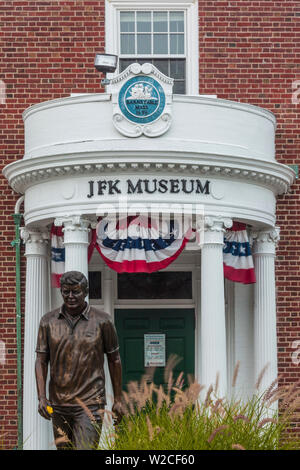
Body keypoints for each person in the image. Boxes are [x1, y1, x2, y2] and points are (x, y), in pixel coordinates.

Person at [35, 270, 123, 450]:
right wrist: (42, 397)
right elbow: (41, 361)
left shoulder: (103, 321)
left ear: (86, 292)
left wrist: (119, 399)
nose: (70, 296)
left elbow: (114, 360)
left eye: (76, 291)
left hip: (90, 402)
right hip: (59, 403)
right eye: (66, 291)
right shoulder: (48, 321)